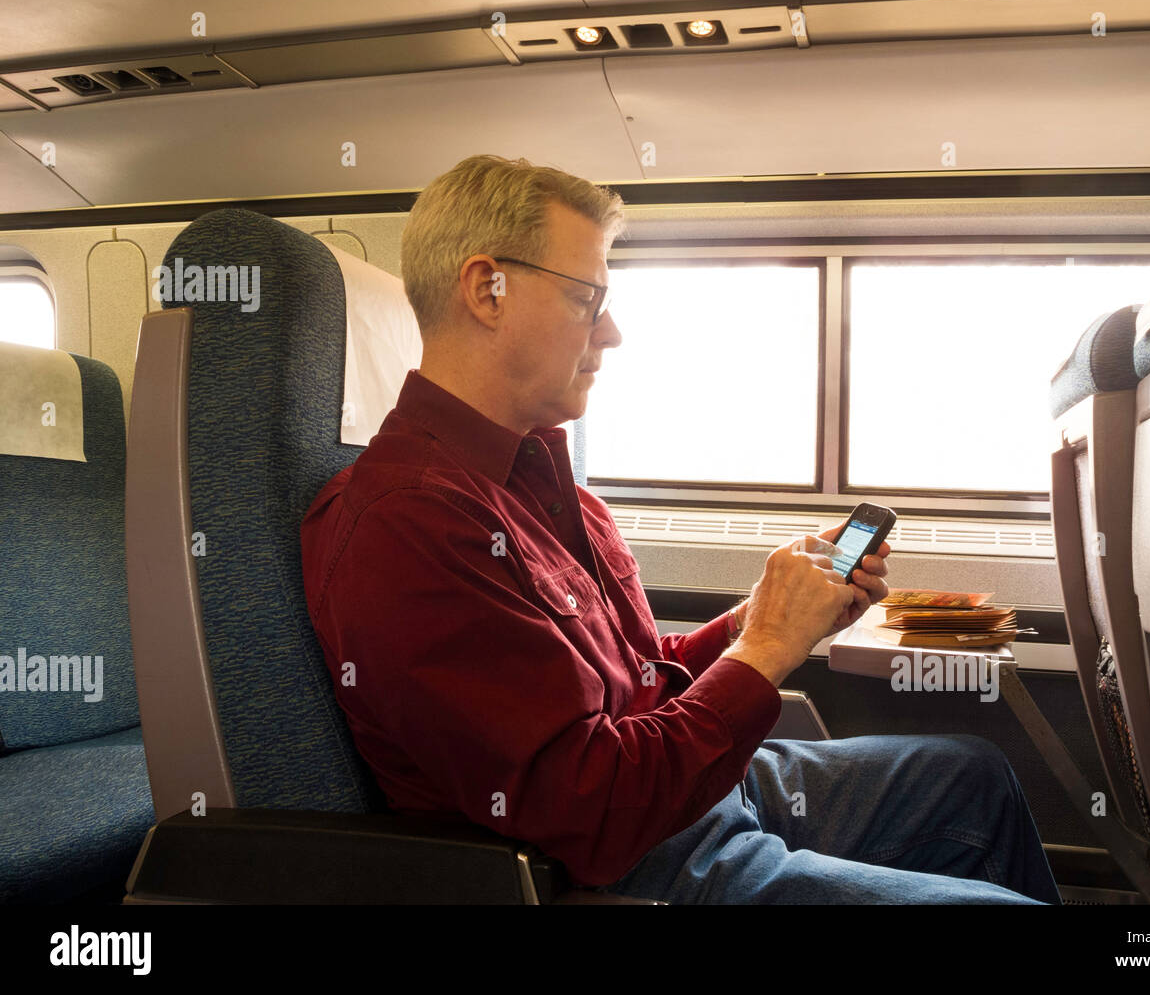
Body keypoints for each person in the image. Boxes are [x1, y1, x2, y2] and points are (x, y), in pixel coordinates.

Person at [300, 154, 1061, 905]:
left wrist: (765, 617)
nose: (613, 333)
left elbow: (635, 676)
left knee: (976, 776)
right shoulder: (406, 526)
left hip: (699, 794)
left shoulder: (546, 484)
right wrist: (767, 650)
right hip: (633, 867)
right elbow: (595, 810)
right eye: (587, 298)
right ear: (486, 289)